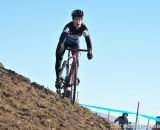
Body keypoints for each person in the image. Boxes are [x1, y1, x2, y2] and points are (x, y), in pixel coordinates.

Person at [55, 9, 93, 93]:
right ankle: (58, 78)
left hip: (75, 44)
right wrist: (61, 45)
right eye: (76, 19)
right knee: (58, 57)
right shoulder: (68, 27)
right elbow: (62, 37)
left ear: (82, 20)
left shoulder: (84, 28)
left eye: (80, 19)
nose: (78, 21)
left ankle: (71, 77)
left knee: (77, 62)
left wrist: (90, 51)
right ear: (73, 20)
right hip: (65, 43)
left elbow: (88, 40)